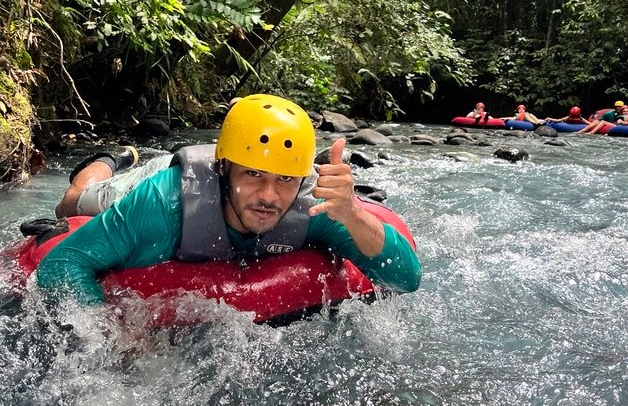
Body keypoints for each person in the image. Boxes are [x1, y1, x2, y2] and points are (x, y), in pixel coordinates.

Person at [34, 93, 422, 306]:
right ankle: (110, 159)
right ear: (224, 170)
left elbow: (406, 279)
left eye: (285, 179)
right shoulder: (161, 203)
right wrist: (109, 336)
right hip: (157, 180)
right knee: (72, 201)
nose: (269, 196)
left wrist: (352, 213)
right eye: (253, 174)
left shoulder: (314, 206)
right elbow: (62, 264)